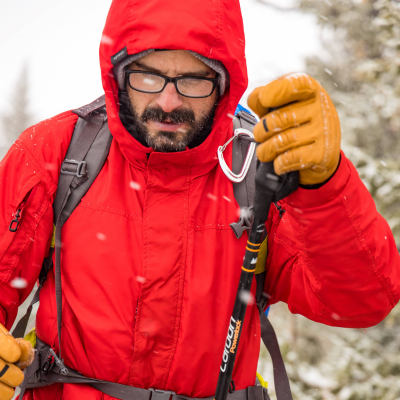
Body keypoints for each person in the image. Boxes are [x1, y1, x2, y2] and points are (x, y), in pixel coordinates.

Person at [0, 0, 399, 399]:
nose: (169, 102)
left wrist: (325, 188)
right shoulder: (55, 153)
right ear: (119, 74)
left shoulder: (263, 169)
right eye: (148, 76)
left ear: (225, 84)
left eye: (193, 80)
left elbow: (361, 302)